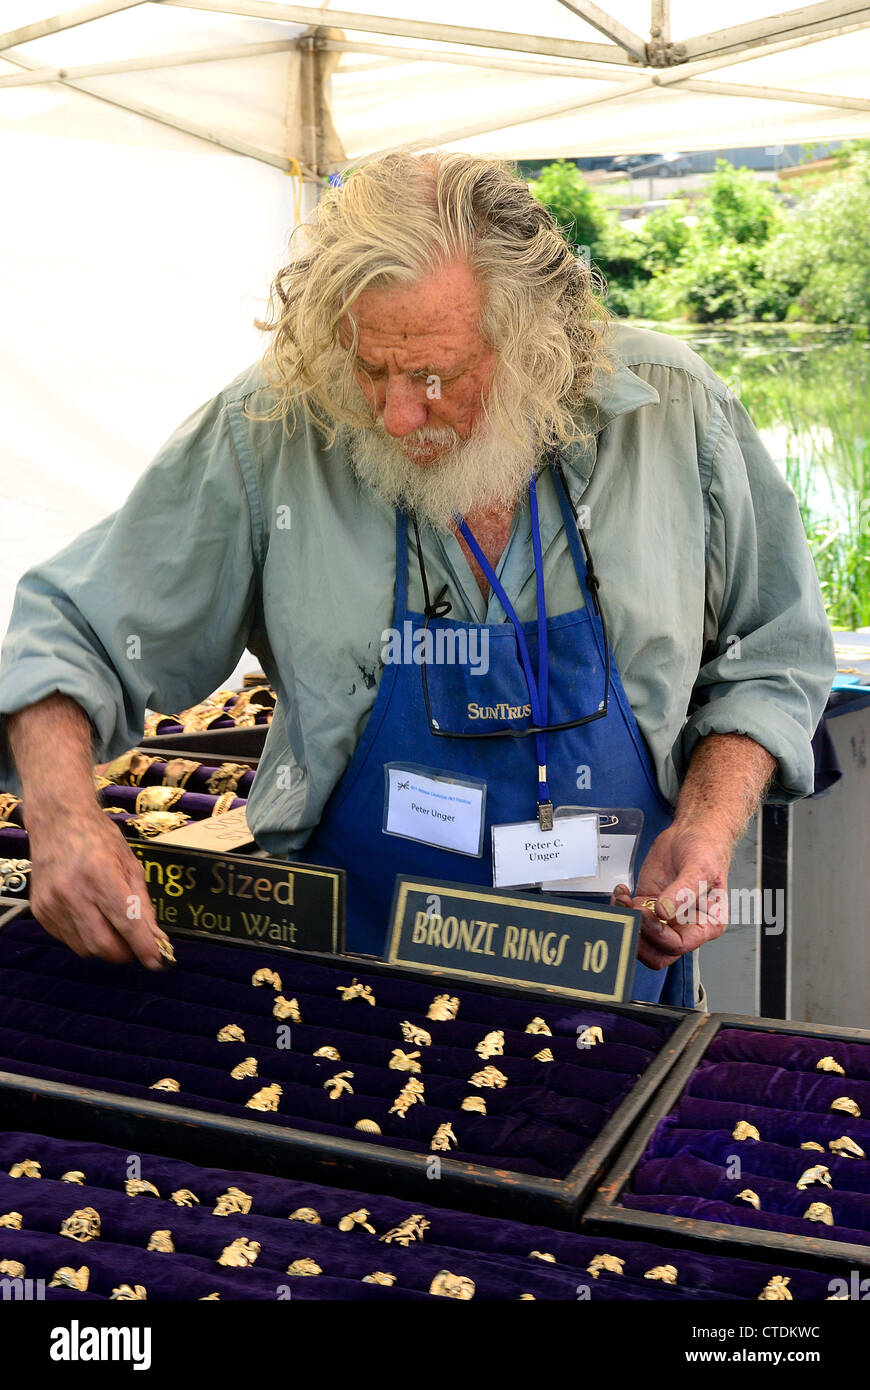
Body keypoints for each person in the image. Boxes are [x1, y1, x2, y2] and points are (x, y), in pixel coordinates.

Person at [0, 152, 835, 1004]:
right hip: (346, 983)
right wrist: (62, 813)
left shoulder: (672, 413)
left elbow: (770, 654)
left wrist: (706, 825)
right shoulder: (271, 429)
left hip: (615, 974)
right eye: (371, 370)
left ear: (535, 344)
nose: (397, 415)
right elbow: (72, 631)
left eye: (436, 376)